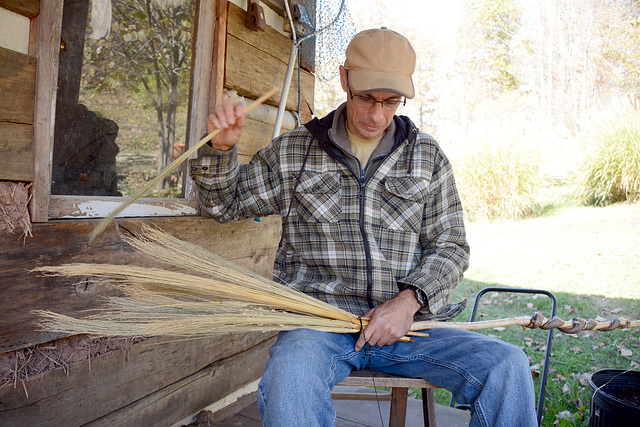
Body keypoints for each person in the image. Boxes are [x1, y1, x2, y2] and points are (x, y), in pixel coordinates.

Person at [190, 27, 537, 427]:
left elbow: (451, 246)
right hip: (320, 325)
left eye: (391, 102)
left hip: (411, 327)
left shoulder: (425, 156)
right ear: (344, 80)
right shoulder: (295, 152)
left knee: (506, 365)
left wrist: (407, 303)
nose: (376, 115)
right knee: (291, 380)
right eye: (367, 99)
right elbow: (225, 204)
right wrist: (221, 149)